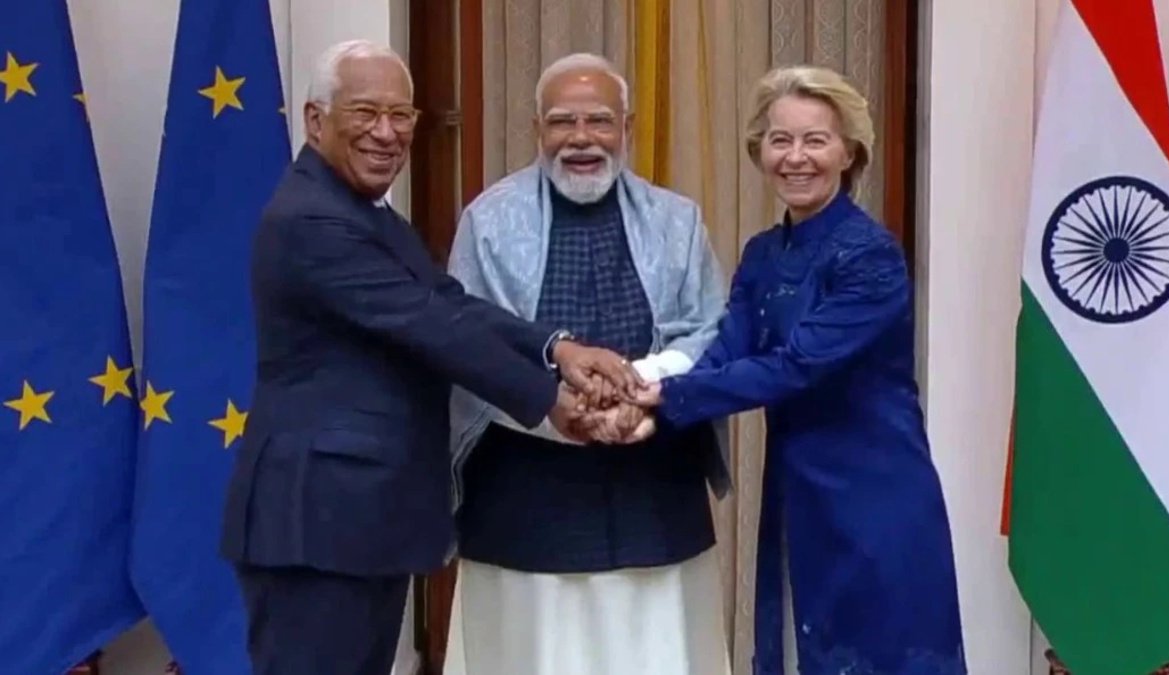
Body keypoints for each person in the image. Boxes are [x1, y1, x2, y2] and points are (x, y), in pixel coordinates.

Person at [218, 40, 637, 675]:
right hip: (316, 525)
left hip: (361, 522)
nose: (387, 133)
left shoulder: (365, 213)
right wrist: (551, 401)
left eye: (401, 115)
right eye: (365, 112)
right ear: (315, 120)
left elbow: (446, 301)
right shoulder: (311, 219)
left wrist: (558, 347)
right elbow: (431, 326)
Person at [635, 66, 966, 674]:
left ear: (849, 152)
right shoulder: (763, 253)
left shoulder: (871, 255)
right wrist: (645, 391)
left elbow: (794, 367)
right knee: (797, 651)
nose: (796, 158)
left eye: (815, 140)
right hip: (797, 493)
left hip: (874, 497)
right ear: (759, 151)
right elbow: (726, 352)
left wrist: (662, 397)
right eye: (779, 140)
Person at [441, 53, 733, 675]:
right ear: (536, 130)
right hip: (525, 500)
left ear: (627, 127)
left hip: (654, 492)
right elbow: (469, 342)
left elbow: (711, 329)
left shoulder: (677, 220)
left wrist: (642, 389)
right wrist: (558, 409)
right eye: (562, 122)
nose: (581, 138)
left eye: (599, 120)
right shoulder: (488, 221)